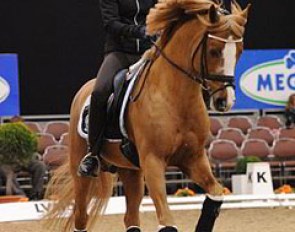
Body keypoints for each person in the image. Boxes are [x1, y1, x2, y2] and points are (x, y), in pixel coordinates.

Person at [78, 0, 157, 177]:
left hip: (149, 52)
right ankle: (94, 154)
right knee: (100, 93)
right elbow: (110, 23)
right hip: (120, 53)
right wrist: (137, 31)